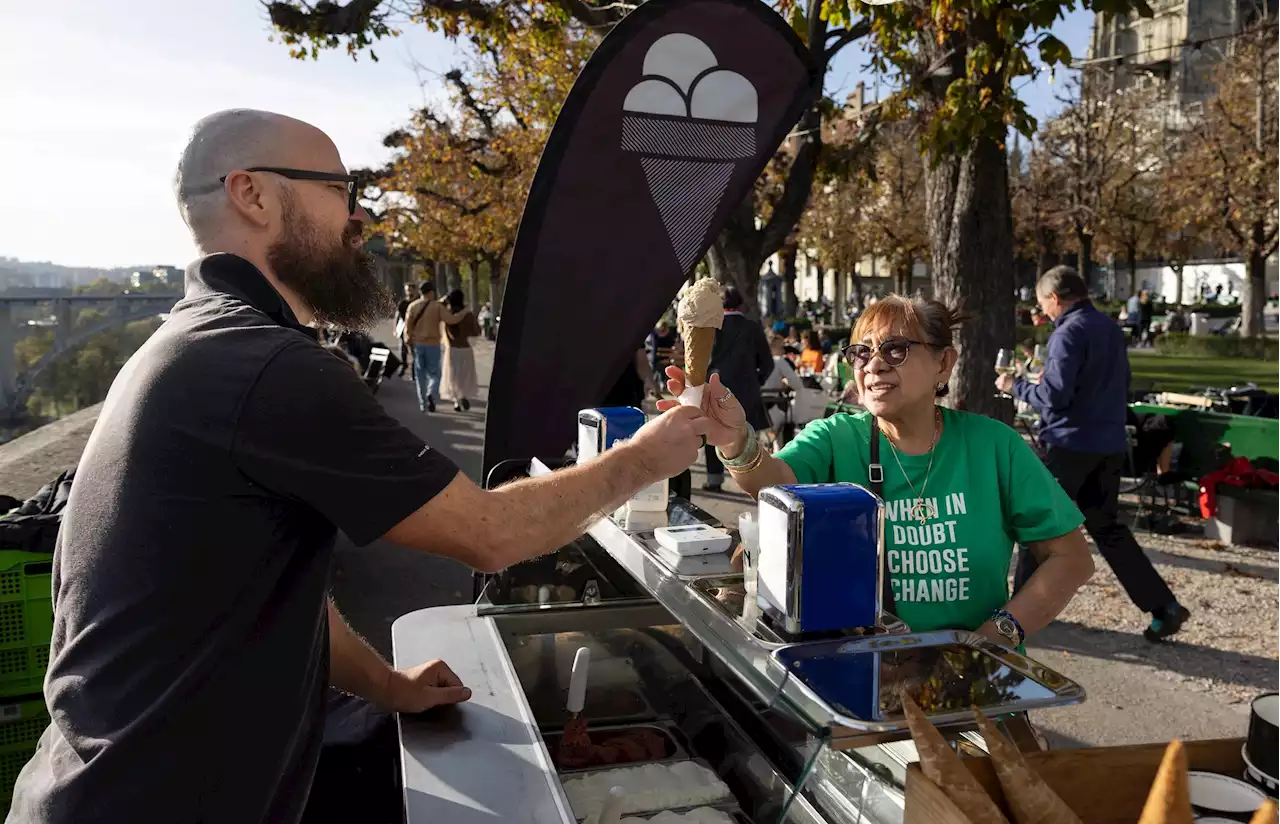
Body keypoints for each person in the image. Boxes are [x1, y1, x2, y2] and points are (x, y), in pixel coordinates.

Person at [7, 109, 711, 824]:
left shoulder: (199, 340)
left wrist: (387, 684)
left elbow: (275, 581)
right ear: (251, 194)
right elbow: (491, 532)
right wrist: (645, 457)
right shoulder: (267, 366)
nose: (359, 217)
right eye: (340, 189)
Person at [663, 294, 1096, 643]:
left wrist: (992, 638)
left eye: (895, 349)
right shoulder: (837, 436)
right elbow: (772, 484)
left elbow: (1070, 558)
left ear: (944, 364)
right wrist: (736, 440)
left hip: (966, 678)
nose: (874, 364)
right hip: (857, 665)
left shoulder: (994, 446)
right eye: (860, 352)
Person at [999, 266, 1190, 642]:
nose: (1044, 313)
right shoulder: (1108, 328)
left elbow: (1054, 397)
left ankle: (1016, 618)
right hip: (1108, 442)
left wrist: (1015, 386)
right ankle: (1163, 606)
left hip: (1071, 444)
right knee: (1108, 527)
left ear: (1054, 298)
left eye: (1043, 305)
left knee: (1037, 523)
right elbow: (1115, 383)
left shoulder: (1067, 332)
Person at [701, 286, 772, 492]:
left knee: (711, 432)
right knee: (747, 435)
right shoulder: (753, 327)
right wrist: (755, 381)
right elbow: (768, 364)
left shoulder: (710, 327)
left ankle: (714, 479)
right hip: (746, 389)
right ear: (741, 304)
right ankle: (751, 480)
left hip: (715, 386)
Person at [401, 282, 461, 413]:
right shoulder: (437, 307)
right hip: (433, 344)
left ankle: (423, 404)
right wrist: (464, 313)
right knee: (435, 374)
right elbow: (450, 320)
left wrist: (408, 344)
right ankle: (431, 393)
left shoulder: (412, 306)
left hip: (418, 345)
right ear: (431, 292)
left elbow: (407, 329)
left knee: (420, 375)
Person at [440, 288, 481, 412]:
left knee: (453, 376)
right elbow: (477, 331)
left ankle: (456, 401)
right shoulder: (468, 314)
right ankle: (463, 396)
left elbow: (438, 305)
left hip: (452, 349)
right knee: (464, 375)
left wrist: (444, 299)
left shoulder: (447, 313)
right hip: (466, 348)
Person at [646, 320, 677, 392]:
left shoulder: (667, 337)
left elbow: (674, 346)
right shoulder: (656, 336)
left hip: (663, 359)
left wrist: (670, 357)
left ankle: (658, 387)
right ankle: (656, 387)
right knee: (658, 371)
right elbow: (655, 352)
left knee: (661, 371)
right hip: (658, 359)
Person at [394, 282, 416, 378]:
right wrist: (395, 328)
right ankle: (404, 365)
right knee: (403, 350)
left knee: (414, 351)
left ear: (415, 290)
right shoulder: (403, 303)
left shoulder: (417, 302)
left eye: (411, 289)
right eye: (407, 290)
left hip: (415, 329)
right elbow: (397, 316)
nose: (409, 292)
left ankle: (414, 371)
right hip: (404, 328)